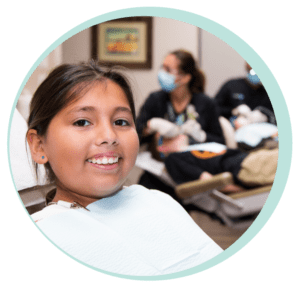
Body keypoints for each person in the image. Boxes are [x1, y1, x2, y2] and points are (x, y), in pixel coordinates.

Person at [23, 61, 223, 276]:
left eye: (121, 121)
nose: (109, 136)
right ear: (39, 145)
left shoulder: (158, 201)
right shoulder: (46, 233)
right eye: (82, 122)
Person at [136, 50, 225, 196]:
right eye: (162, 67)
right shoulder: (155, 100)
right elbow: (135, 134)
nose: (161, 73)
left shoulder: (205, 104)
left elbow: (220, 142)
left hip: (190, 170)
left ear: (185, 78)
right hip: (158, 172)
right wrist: (151, 126)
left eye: (168, 70)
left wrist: (197, 138)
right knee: (142, 196)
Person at [214, 62, 276, 129]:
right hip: (232, 132)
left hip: (260, 132)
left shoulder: (268, 94)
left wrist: (265, 118)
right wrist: (233, 111)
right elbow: (213, 109)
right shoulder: (232, 86)